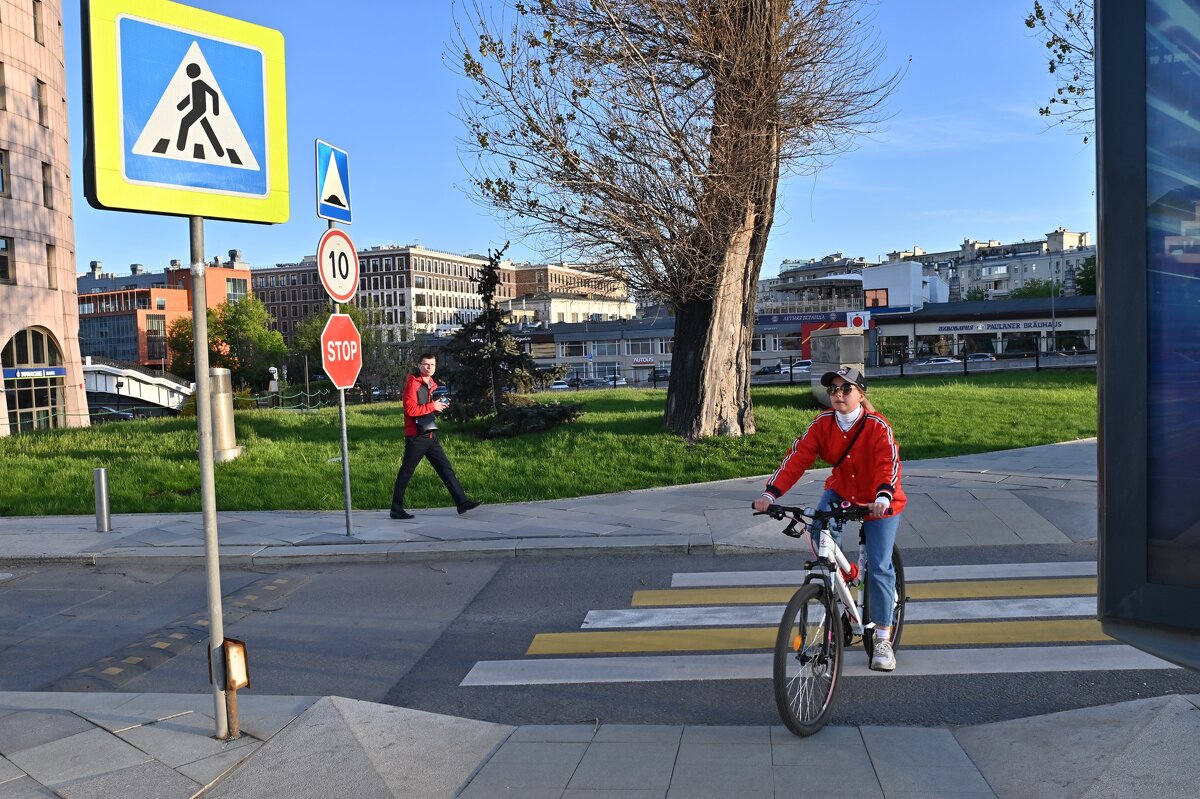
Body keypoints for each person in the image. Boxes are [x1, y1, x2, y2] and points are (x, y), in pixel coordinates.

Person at [751, 365, 906, 672]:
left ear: (861, 394)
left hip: (880, 501)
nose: (837, 395)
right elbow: (798, 458)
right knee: (820, 537)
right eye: (832, 389)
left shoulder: (877, 427)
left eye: (845, 389)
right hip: (841, 492)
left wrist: (883, 497)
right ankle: (843, 584)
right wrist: (771, 495)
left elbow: (888, 464)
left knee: (879, 567)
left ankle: (884, 640)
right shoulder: (822, 424)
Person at [389, 353, 480, 519]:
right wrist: (433, 406)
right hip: (416, 437)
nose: (429, 367)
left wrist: (441, 405)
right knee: (406, 472)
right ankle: (396, 509)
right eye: (425, 364)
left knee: (446, 469)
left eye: (432, 364)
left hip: (430, 434)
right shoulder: (413, 384)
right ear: (418, 365)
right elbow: (411, 410)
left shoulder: (432, 383)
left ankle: (462, 502)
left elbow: (430, 406)